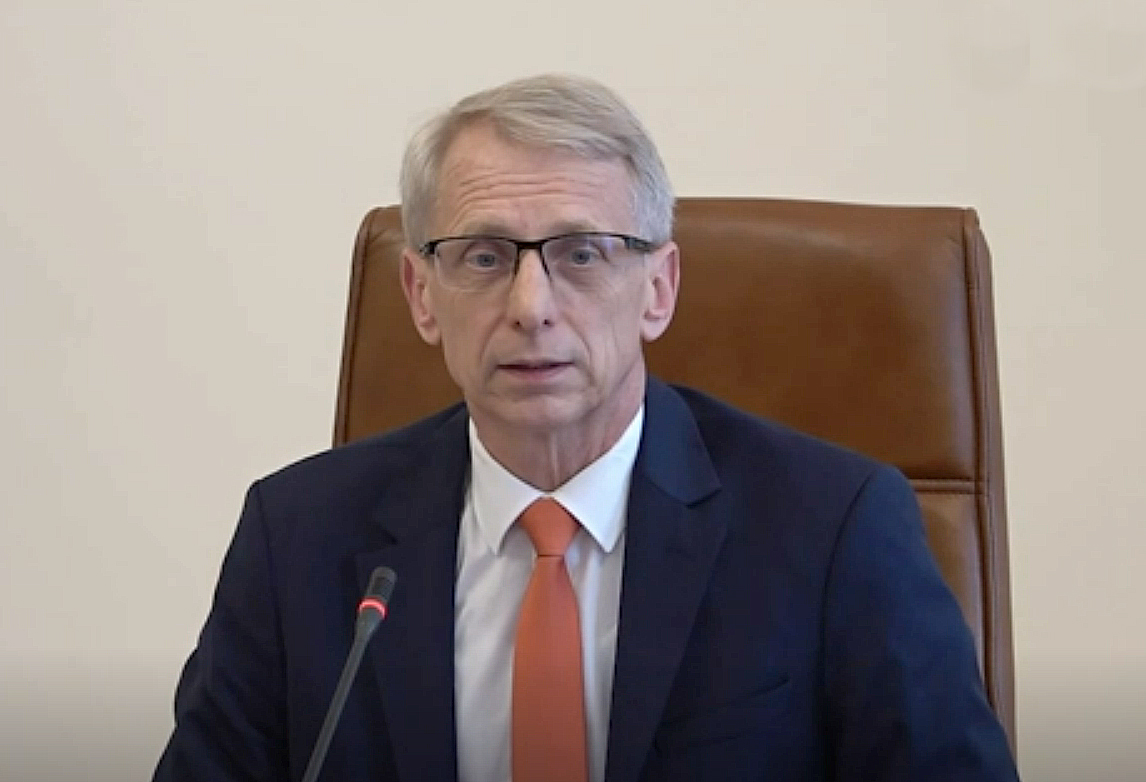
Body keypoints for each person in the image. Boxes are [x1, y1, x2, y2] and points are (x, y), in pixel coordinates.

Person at [153, 74, 1019, 782]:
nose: (532, 307)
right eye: (484, 256)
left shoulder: (833, 529)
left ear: (658, 290)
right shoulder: (297, 539)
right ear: (421, 296)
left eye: (581, 253)